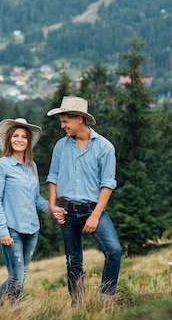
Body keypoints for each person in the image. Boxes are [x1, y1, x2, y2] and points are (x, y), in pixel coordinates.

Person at [46, 96, 123, 306]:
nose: (62, 126)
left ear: (79, 119)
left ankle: (106, 300)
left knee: (114, 250)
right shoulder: (61, 146)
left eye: (65, 121)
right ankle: (77, 305)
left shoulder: (105, 148)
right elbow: (52, 177)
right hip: (67, 211)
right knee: (73, 262)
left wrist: (95, 216)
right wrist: (53, 206)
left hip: (93, 210)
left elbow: (107, 184)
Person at [0, 117, 65, 307]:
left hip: (32, 229)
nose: (19, 139)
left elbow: (36, 198)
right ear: (9, 139)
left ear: (28, 142)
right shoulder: (1, 166)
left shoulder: (31, 166)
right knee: (15, 278)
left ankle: (14, 313)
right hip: (11, 229)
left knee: (21, 276)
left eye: (24, 136)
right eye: (15, 135)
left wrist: (53, 209)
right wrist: (3, 230)